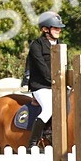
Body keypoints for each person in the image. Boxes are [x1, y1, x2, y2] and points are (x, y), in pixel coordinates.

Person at [25, 12, 64, 147]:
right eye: (55, 28)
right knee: (49, 108)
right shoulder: (36, 45)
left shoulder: (60, 44)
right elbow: (43, 69)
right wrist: (55, 82)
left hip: (58, 83)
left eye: (59, 28)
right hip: (41, 85)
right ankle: (33, 142)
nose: (59, 30)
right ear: (45, 29)